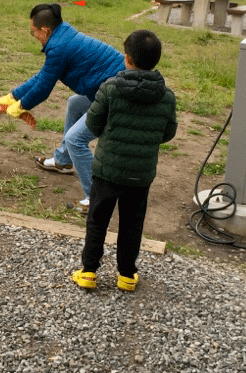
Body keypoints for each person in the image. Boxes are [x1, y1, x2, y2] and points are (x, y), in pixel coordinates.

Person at [72, 29, 177, 292]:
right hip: (140, 174)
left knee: (98, 219)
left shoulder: (110, 88)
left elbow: (93, 124)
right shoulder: (166, 96)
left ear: (127, 58)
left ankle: (88, 272)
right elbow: (168, 132)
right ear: (157, 60)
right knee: (132, 222)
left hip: (107, 170)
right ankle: (127, 276)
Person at [0, 4, 125, 208]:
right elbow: (43, 76)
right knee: (74, 103)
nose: (33, 35)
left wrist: (20, 106)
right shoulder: (62, 36)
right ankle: (63, 160)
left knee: (76, 139)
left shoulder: (60, 47)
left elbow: (44, 88)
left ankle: (95, 198)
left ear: (45, 30)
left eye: (33, 31)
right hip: (104, 89)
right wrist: (11, 97)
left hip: (117, 95)